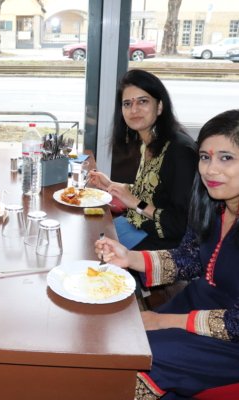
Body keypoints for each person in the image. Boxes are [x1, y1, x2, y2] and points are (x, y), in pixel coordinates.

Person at [95, 109, 239, 399]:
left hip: (228, 340)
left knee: (135, 363)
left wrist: (162, 321)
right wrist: (129, 257)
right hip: (194, 306)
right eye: (205, 157)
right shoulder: (214, 208)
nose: (210, 170)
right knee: (120, 339)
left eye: (226, 158)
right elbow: (189, 259)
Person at [89, 69, 197, 250]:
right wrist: (111, 185)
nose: (134, 110)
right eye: (127, 103)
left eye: (143, 101)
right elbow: (153, 192)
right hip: (136, 225)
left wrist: (134, 202)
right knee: (88, 231)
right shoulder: (148, 142)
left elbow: (180, 224)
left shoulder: (180, 151)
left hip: (162, 243)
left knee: (91, 249)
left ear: (160, 106)